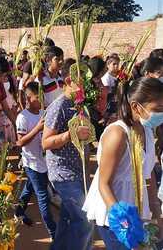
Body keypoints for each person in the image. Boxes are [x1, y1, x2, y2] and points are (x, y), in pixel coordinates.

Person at [83, 78, 163, 250]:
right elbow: (103, 184)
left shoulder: (147, 130)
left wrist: (157, 215)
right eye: (158, 110)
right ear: (136, 107)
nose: (161, 114)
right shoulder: (117, 135)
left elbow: (148, 175)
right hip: (115, 216)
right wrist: (123, 221)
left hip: (138, 211)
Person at [42, 79, 94, 250]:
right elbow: (46, 142)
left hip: (78, 172)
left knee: (68, 219)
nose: (84, 88)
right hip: (63, 173)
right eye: (81, 82)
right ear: (68, 81)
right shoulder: (59, 106)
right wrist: (71, 134)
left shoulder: (81, 106)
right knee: (85, 220)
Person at [15, 82, 56, 239]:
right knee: (43, 197)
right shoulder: (22, 117)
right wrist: (37, 129)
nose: (41, 99)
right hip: (32, 163)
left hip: (43, 161)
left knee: (29, 188)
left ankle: (19, 211)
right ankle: (53, 231)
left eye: (42, 96)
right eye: (37, 97)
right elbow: (20, 142)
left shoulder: (42, 113)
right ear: (28, 98)